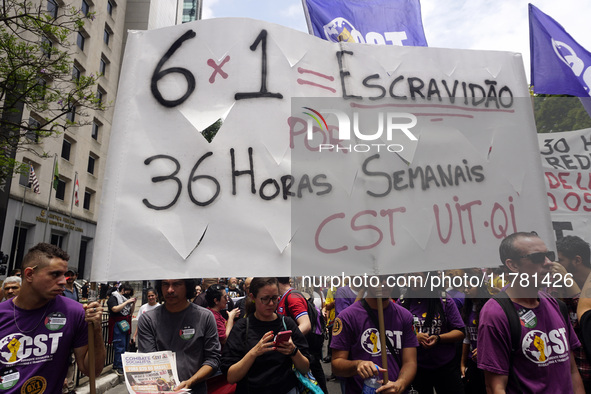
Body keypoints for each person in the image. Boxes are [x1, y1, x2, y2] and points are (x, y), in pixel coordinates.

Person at [478, 232, 584, 393]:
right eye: (537, 258)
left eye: (549, 255)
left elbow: (572, 371)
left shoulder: (556, 305)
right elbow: (495, 387)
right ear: (512, 265)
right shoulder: (496, 313)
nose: (549, 263)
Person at [0, 243, 104, 393]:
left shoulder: (74, 312)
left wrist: (97, 329)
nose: (63, 281)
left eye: (64, 274)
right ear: (29, 274)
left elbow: (91, 371)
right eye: (55, 274)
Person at [221, 277, 310, 394]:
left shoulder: (287, 323)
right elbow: (231, 377)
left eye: (274, 298)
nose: (271, 303)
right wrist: (254, 352)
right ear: (253, 297)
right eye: (265, 299)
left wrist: (294, 351)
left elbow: (305, 367)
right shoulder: (242, 327)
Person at [331, 278, 418, 393]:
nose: (385, 282)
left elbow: (410, 361)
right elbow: (336, 365)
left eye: (389, 278)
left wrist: (400, 384)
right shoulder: (347, 317)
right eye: (379, 279)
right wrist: (357, 365)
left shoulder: (404, 316)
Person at [138, 279, 221, 393]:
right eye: (165, 284)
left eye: (176, 284)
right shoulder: (148, 319)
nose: (170, 290)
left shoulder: (205, 317)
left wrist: (191, 381)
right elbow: (149, 359)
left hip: (196, 389)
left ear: (187, 286)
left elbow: (213, 359)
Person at [397, 271, 465, 394]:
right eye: (411, 276)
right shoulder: (402, 302)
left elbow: (460, 332)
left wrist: (438, 338)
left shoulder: (444, 300)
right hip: (417, 368)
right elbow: (395, 333)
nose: (413, 279)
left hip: (445, 367)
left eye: (418, 277)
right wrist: (413, 338)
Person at [277, 277, 328, 393]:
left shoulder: (292, 297)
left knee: (316, 387)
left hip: (306, 352)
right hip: (300, 353)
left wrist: (285, 340)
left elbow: (306, 325)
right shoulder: (285, 296)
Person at [554, 235, 591, 392]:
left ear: (577, 260)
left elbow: (585, 319)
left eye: (560, 260)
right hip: (576, 378)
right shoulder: (561, 288)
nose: (556, 265)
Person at [460, 270, 490, 394]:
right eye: (465, 287)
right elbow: (467, 338)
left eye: (470, 287)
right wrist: (462, 363)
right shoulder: (467, 307)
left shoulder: (490, 306)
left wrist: (484, 348)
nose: (466, 290)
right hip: (473, 361)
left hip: (489, 360)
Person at [107, 282, 136, 375]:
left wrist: (133, 304)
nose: (128, 294)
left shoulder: (125, 299)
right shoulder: (114, 297)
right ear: (122, 290)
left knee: (125, 345)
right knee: (119, 345)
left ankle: (122, 364)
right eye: (127, 291)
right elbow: (114, 309)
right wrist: (127, 302)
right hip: (117, 324)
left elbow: (130, 312)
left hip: (125, 323)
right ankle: (118, 365)